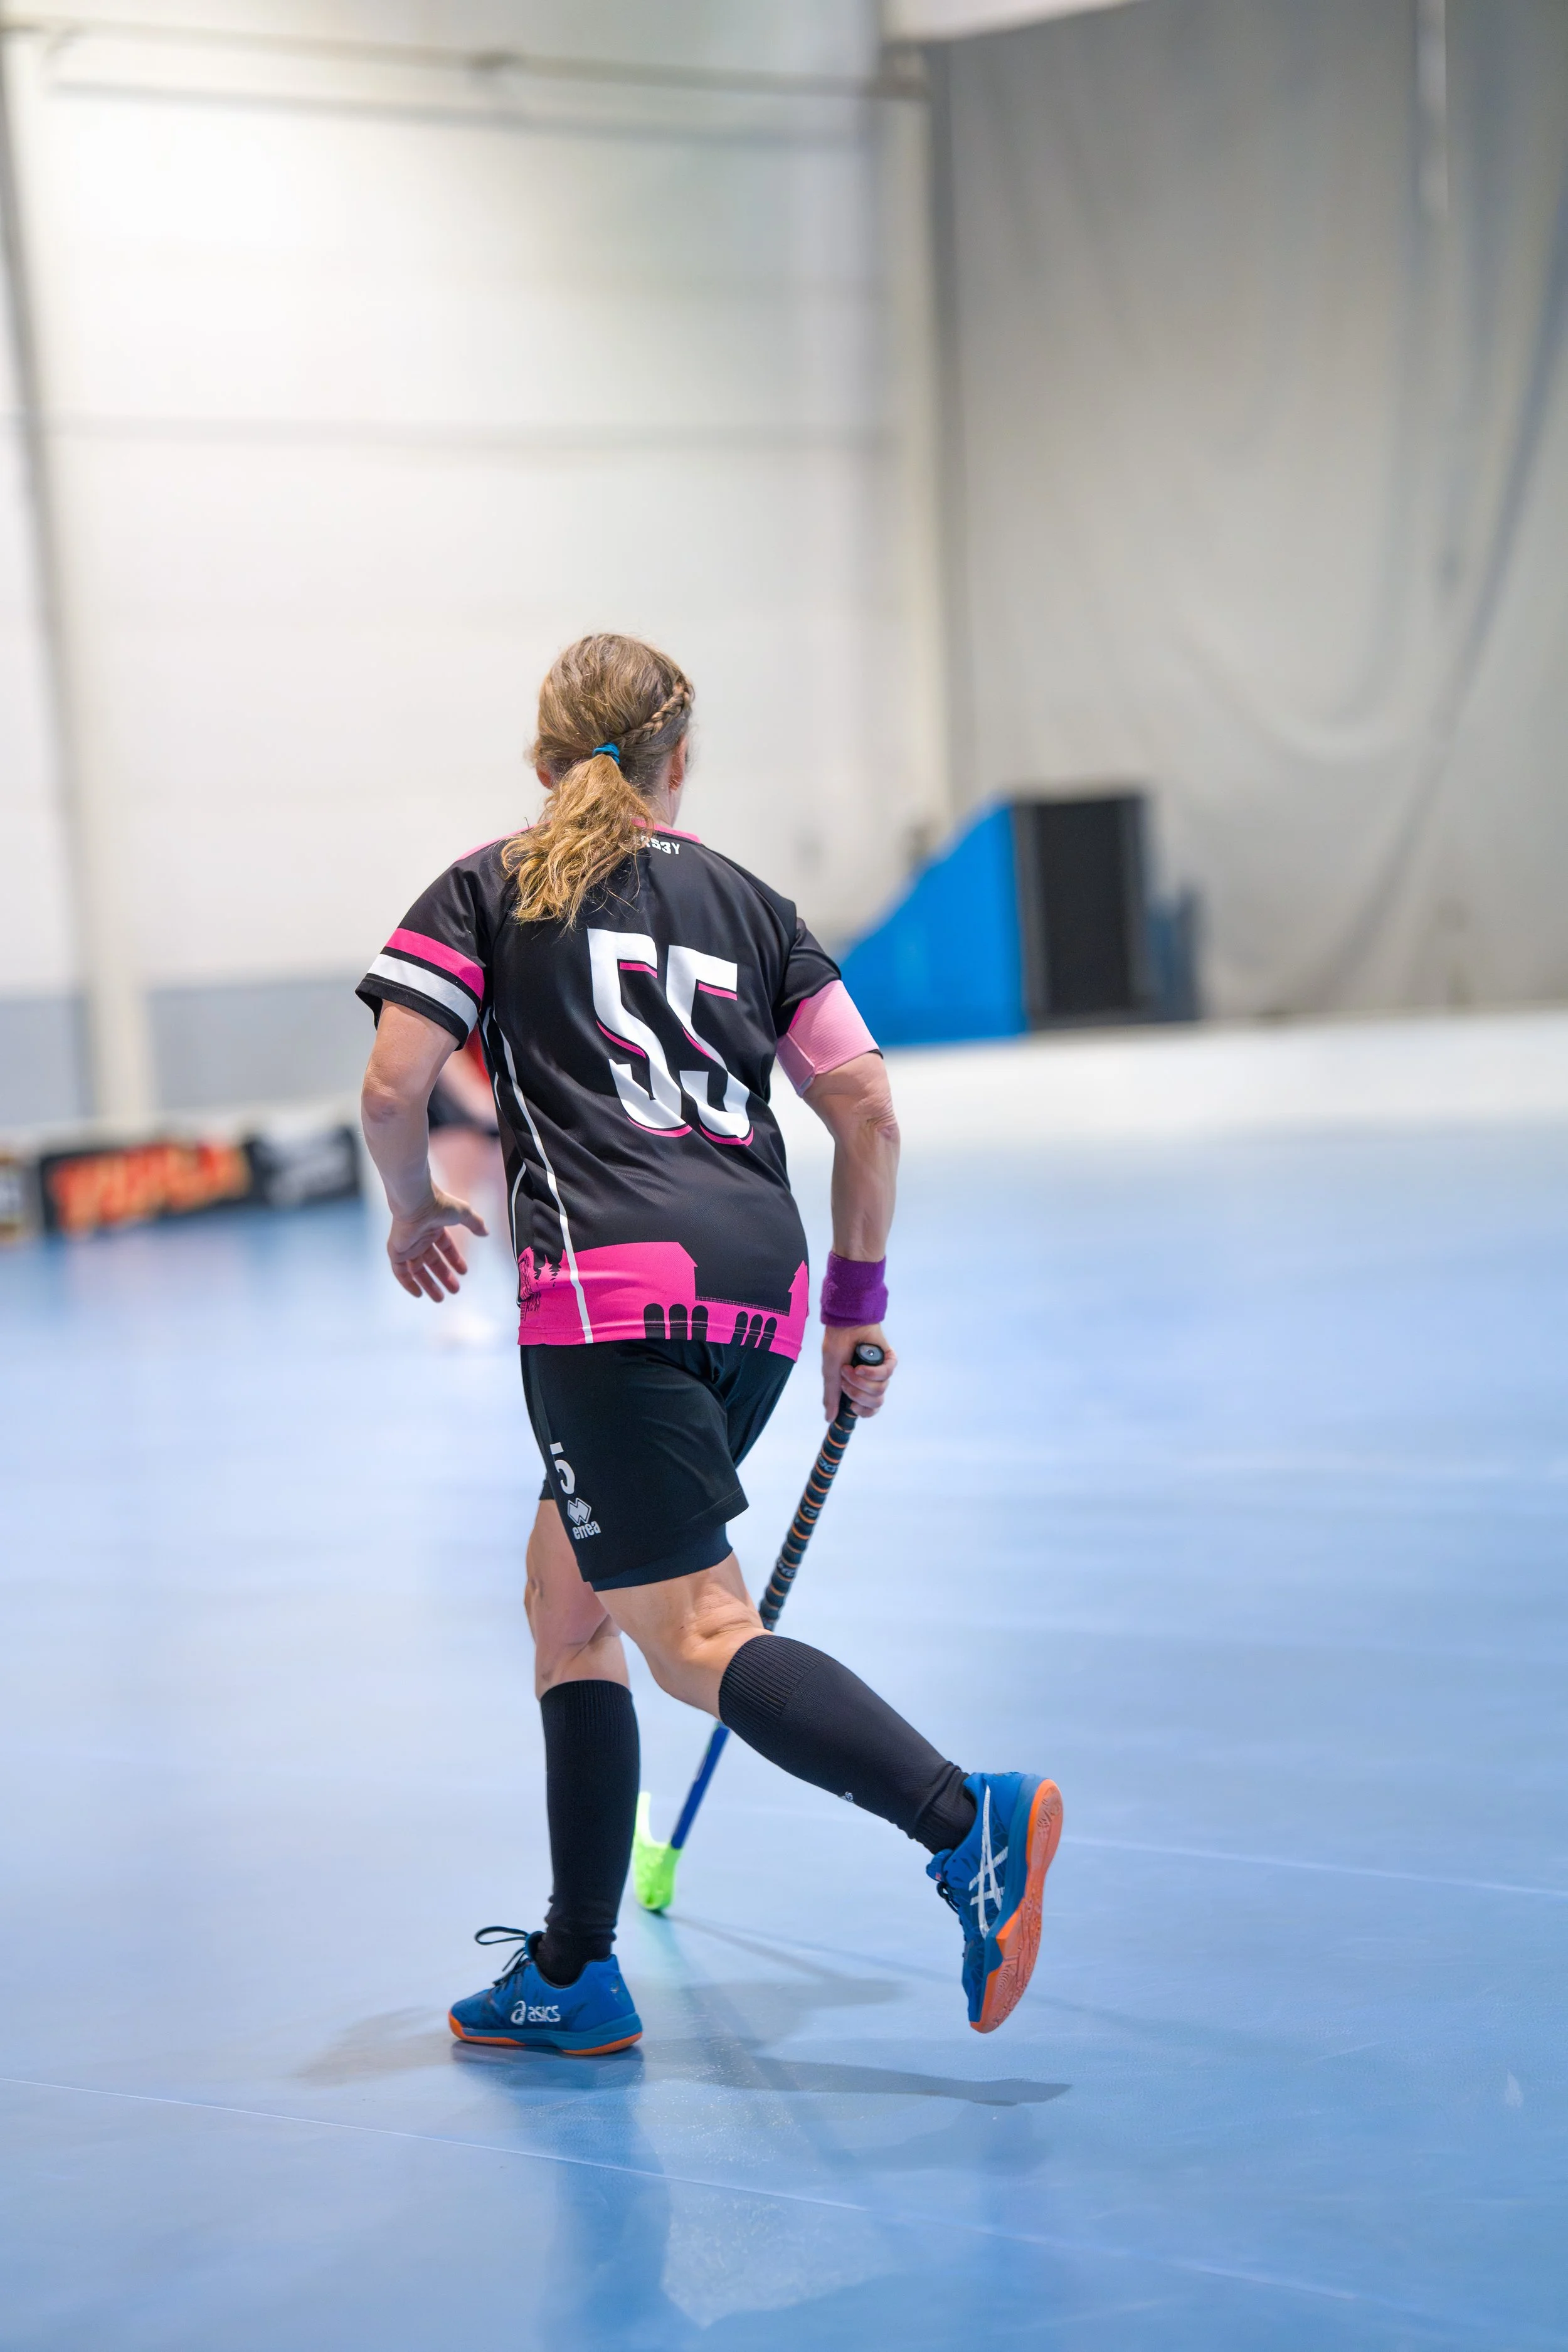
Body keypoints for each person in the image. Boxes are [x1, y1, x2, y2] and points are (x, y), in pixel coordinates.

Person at [356, 633, 1061, 2054]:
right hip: (756, 1293)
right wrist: (856, 1314)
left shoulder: (486, 885)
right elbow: (863, 1106)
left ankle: (960, 1820)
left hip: (607, 1303)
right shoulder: (752, 905)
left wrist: (415, 1203)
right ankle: (570, 1968)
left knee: (690, 1637)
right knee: (569, 1601)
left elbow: (392, 1085)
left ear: (542, 759)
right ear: (680, 764)